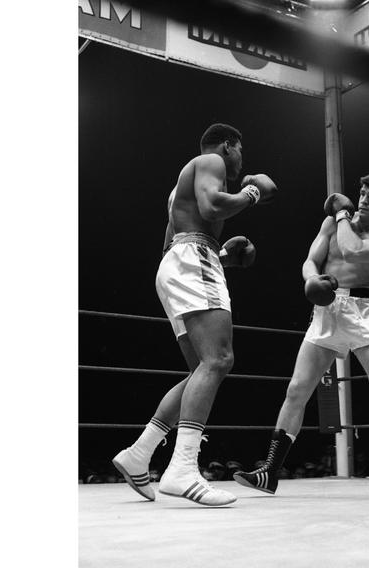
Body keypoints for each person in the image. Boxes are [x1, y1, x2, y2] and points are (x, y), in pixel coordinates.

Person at [111, 123, 277, 506]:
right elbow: (212, 206)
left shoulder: (182, 186)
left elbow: (176, 239)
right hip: (192, 259)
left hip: (180, 262)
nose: (239, 161)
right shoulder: (211, 159)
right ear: (229, 144)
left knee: (201, 369)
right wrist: (252, 192)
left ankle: (140, 452)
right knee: (219, 360)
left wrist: (219, 257)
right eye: (240, 151)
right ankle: (182, 469)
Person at [233, 172, 369, 498]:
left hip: (364, 311)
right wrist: (311, 281)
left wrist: (340, 214)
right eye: (361, 193)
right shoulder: (334, 223)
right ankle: (270, 471)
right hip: (327, 309)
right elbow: (311, 260)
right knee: (297, 388)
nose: (363, 200)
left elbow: (351, 251)